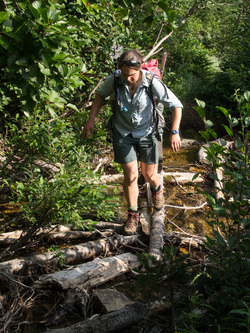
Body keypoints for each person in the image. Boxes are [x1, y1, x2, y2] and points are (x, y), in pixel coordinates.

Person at [83, 49, 183, 235]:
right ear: (119, 69)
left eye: (132, 75)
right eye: (124, 74)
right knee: (130, 175)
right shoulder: (114, 79)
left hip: (148, 132)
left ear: (140, 70)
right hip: (123, 133)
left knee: (150, 175)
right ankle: (133, 214)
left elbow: (176, 106)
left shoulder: (152, 82)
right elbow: (100, 96)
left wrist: (175, 132)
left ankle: (157, 188)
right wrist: (91, 120)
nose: (128, 78)